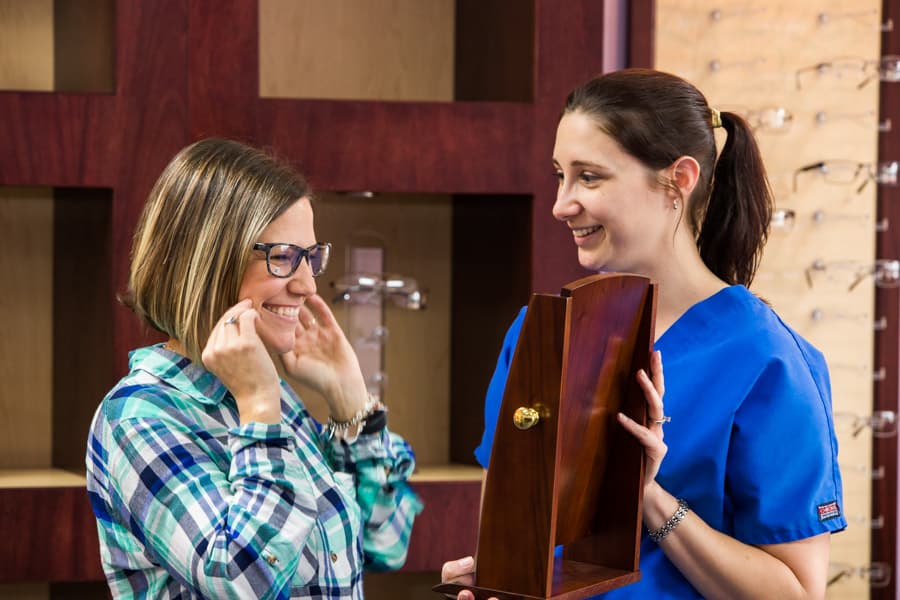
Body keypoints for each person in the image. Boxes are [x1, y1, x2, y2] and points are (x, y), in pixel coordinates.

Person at [442, 69, 845, 598]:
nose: (562, 203)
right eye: (560, 175)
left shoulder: (767, 361)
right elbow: (512, 537)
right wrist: (494, 580)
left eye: (590, 177)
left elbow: (797, 592)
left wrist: (647, 494)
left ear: (678, 179)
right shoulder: (537, 335)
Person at [85, 138, 422, 599]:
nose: (307, 285)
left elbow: (385, 544)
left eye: (311, 257)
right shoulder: (138, 417)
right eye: (283, 257)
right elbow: (242, 582)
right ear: (207, 261)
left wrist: (350, 403)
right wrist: (260, 408)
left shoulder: (271, 396)